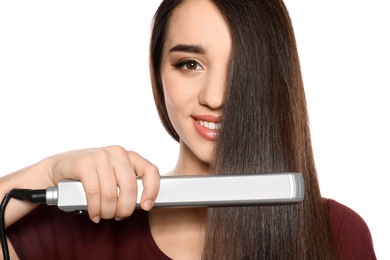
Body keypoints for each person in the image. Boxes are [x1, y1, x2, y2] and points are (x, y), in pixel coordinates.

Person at [1, 0, 376, 259]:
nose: (214, 97)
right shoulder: (77, 229)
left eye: (242, 68)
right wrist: (47, 171)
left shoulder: (337, 236)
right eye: (190, 64)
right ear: (158, 72)